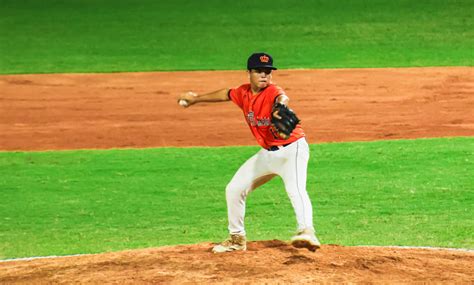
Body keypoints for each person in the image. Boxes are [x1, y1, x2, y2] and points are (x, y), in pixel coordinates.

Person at [178, 52, 320, 253]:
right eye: (259, 71)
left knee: (295, 189)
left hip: (292, 150)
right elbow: (225, 94)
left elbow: (282, 96)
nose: (264, 75)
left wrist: (280, 105)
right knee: (234, 189)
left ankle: (307, 231)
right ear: (249, 73)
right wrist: (196, 99)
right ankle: (237, 239)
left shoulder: (273, 92)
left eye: (268, 72)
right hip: (267, 154)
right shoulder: (243, 93)